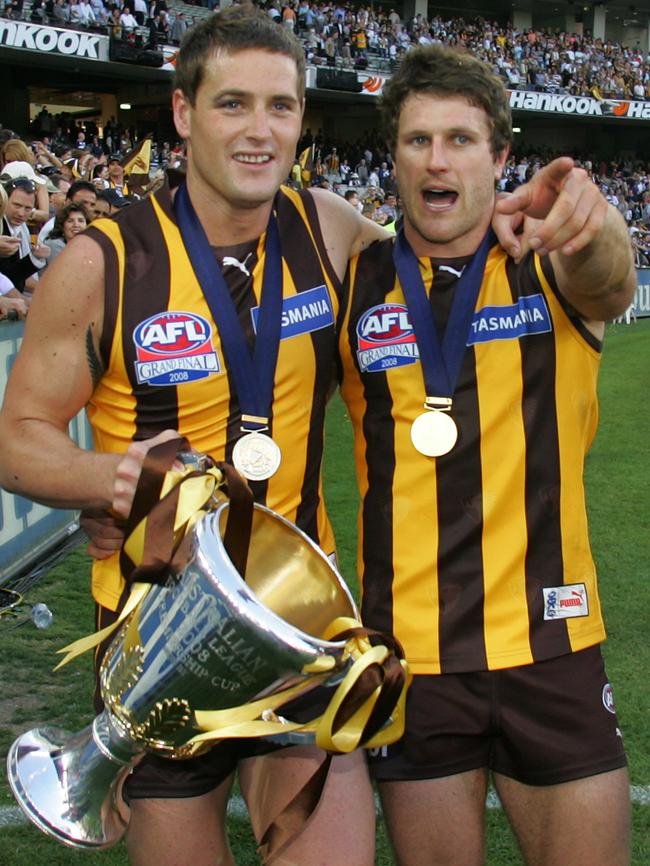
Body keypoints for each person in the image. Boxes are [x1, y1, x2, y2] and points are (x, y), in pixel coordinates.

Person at [0, 8, 391, 866]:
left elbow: (443, 274)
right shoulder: (101, 262)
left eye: (281, 108)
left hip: (299, 628)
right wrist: (121, 486)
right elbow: (19, 438)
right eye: (233, 105)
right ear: (183, 114)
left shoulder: (329, 228)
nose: (261, 131)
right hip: (157, 634)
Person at [337, 45, 636, 866]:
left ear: (500, 157)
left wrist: (593, 217)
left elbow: (613, 279)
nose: (439, 159)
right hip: (413, 661)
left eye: (463, 139)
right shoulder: (354, 281)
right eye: (418, 139)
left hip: (553, 643)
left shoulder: (551, 264)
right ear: (392, 156)